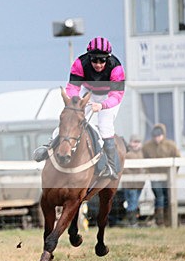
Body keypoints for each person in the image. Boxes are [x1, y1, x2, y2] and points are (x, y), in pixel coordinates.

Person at [33, 36, 125, 179]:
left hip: (109, 97)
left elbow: (117, 95)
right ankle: (49, 146)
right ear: (89, 57)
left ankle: (112, 166)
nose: (98, 64)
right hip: (88, 92)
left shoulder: (116, 68)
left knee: (104, 125)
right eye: (94, 60)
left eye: (102, 60)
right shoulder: (80, 63)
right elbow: (72, 87)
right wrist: (74, 102)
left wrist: (101, 105)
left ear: (108, 58)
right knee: (70, 117)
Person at [141, 123, 181, 227]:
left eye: (159, 136)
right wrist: (148, 171)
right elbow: (143, 159)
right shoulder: (147, 146)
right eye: (155, 136)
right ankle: (160, 221)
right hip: (155, 176)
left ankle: (170, 220)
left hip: (168, 177)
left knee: (168, 197)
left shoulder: (170, 145)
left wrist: (173, 172)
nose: (157, 139)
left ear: (163, 135)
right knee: (160, 196)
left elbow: (177, 159)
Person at [121, 134, 145, 226]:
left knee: (133, 202)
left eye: (137, 142)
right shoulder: (127, 154)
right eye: (133, 142)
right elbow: (124, 169)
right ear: (130, 143)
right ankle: (132, 222)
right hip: (129, 184)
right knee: (132, 202)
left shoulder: (142, 153)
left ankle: (131, 221)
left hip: (139, 184)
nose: (135, 144)